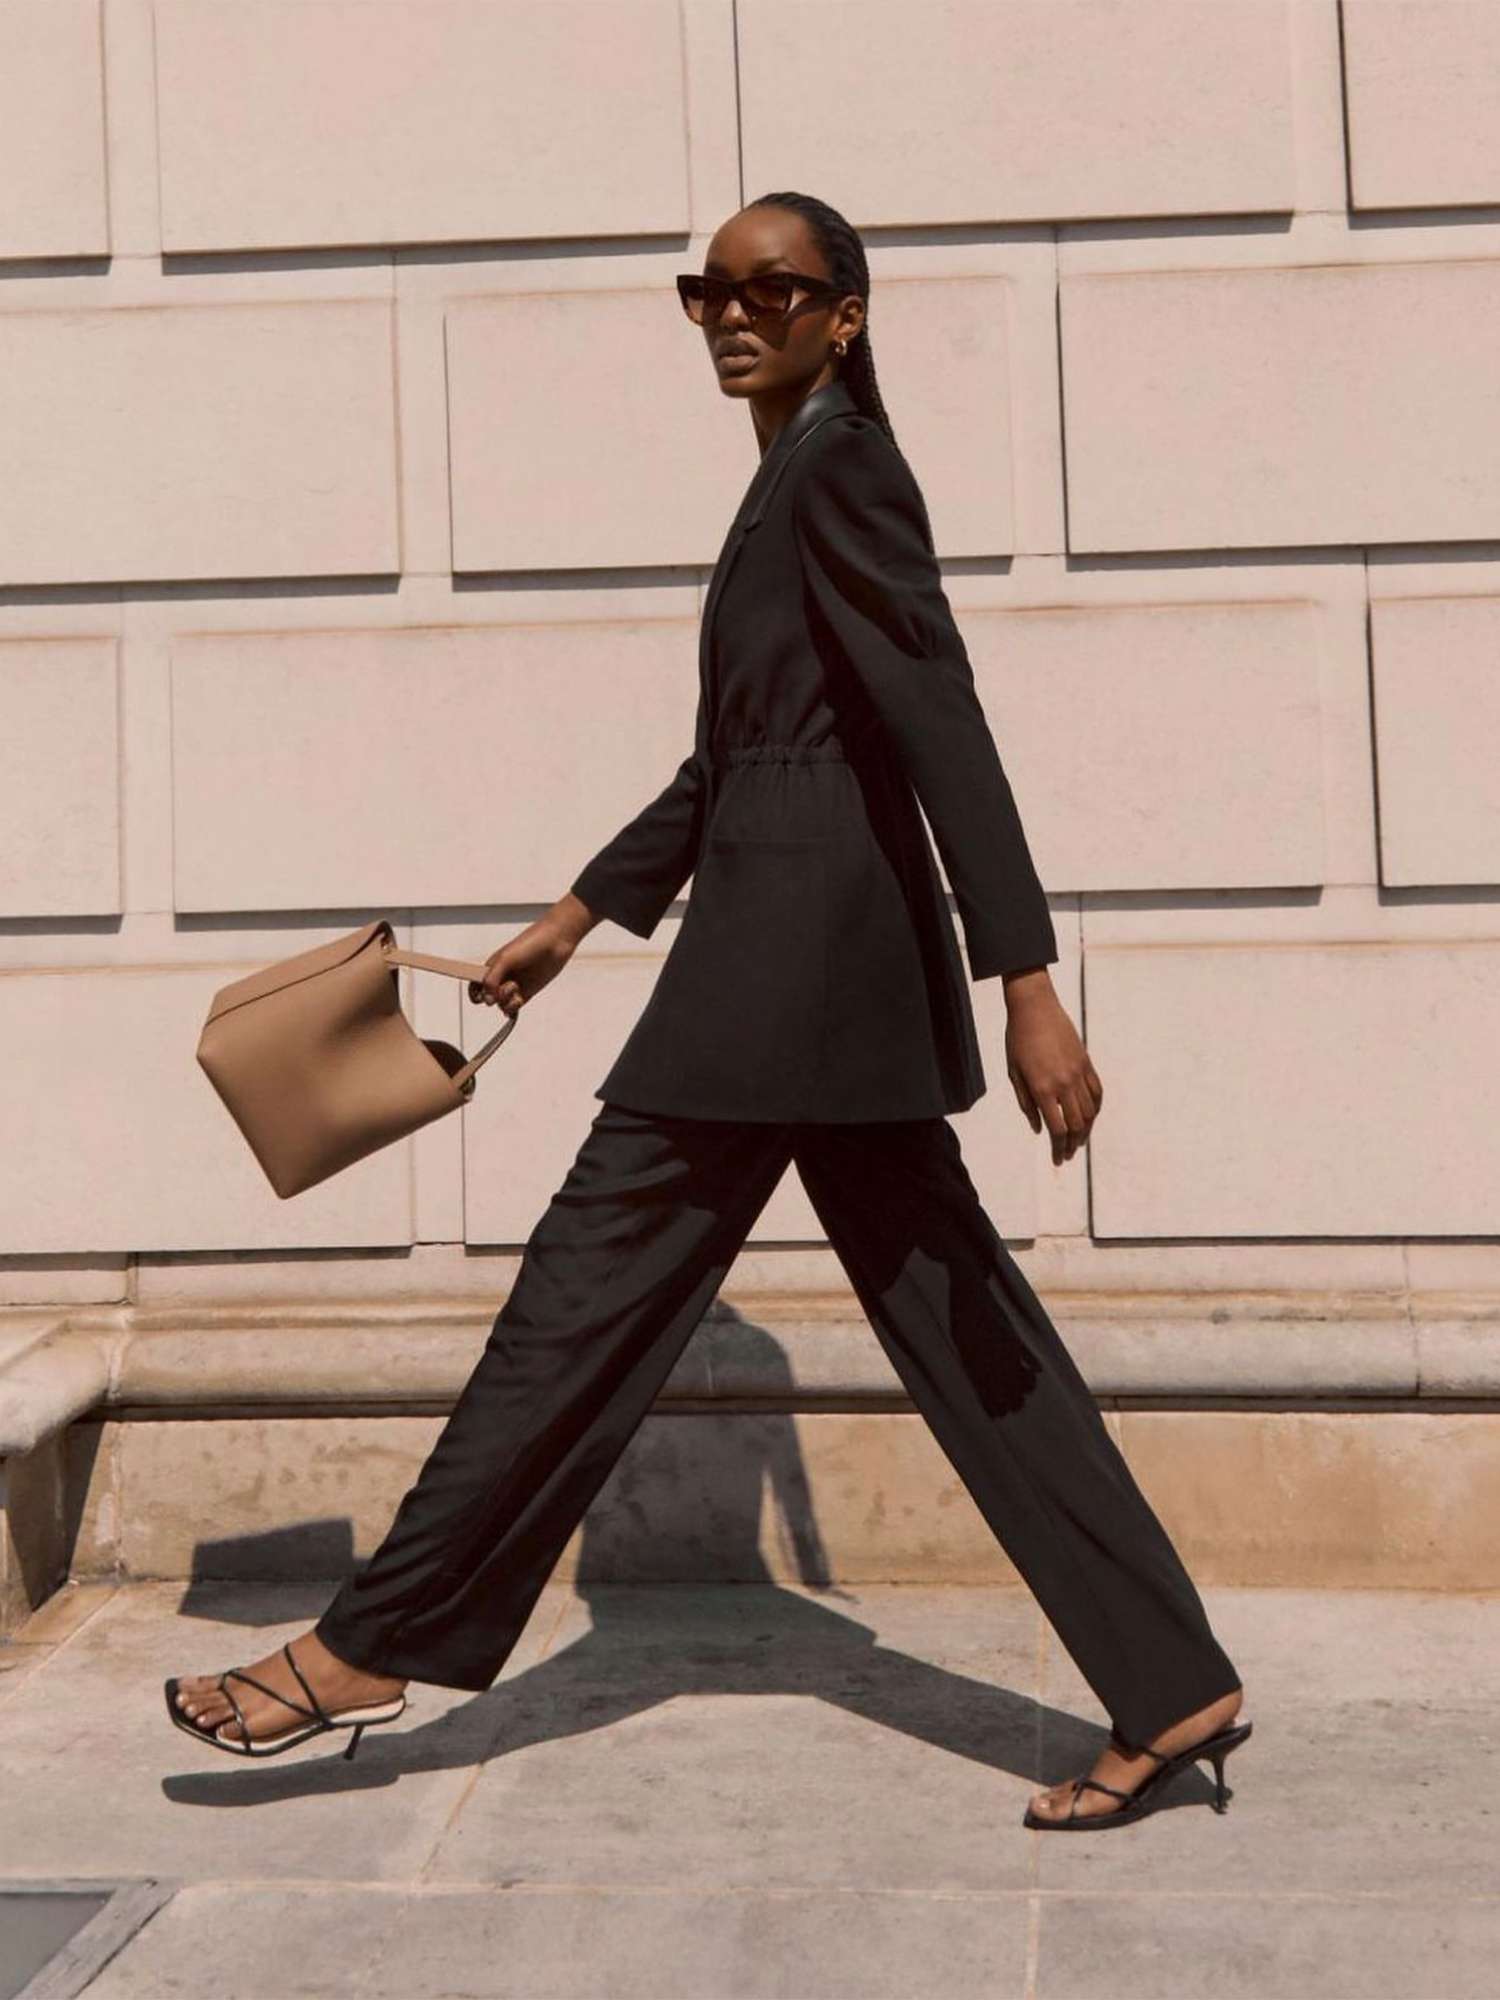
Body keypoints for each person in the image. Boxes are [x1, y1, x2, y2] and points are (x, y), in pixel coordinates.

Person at [166, 192, 1250, 1829]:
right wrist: (575, 918)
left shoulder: (844, 475)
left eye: (774, 288)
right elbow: (733, 761)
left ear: (845, 314)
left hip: (788, 983)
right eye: (707, 291)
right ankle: (1176, 1686)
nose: (735, 313)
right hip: (803, 984)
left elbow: (940, 720)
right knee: (972, 1334)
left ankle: (371, 1644)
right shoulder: (790, 480)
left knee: (576, 1303)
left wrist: (1030, 980)